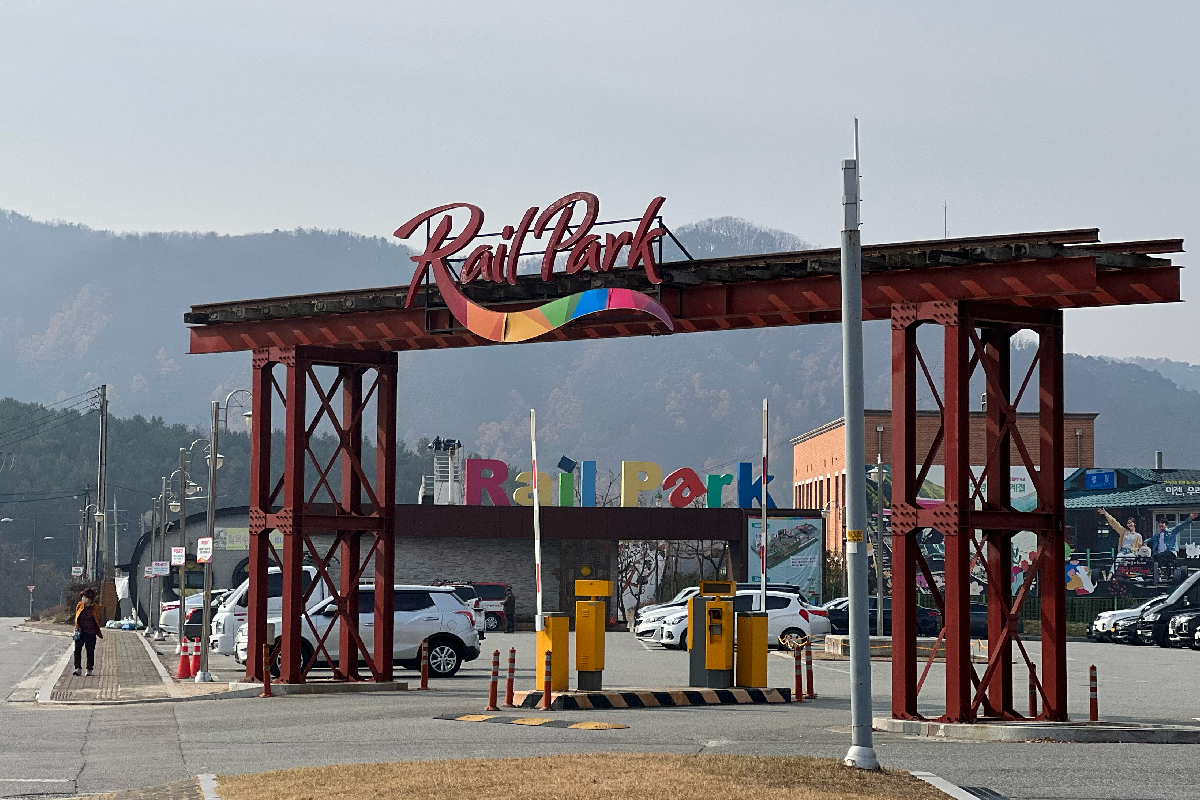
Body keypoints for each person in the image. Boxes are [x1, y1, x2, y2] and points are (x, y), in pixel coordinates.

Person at [73, 589, 104, 677]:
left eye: (84, 596)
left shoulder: (96, 608)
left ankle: (89, 669)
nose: (82, 598)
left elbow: (99, 619)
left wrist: (94, 629)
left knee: (90, 651)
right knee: (77, 650)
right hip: (80, 632)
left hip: (90, 633)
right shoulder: (80, 605)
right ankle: (77, 668)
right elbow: (77, 616)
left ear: (89, 598)